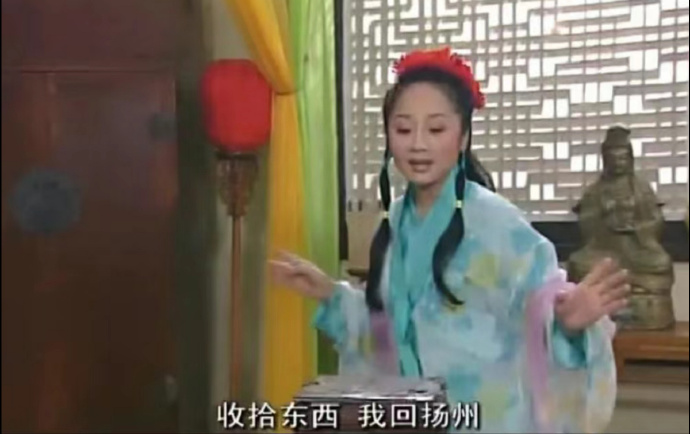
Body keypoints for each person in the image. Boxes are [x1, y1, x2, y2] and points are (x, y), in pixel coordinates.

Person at [270, 47, 628, 433]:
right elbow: (388, 325)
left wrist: (567, 324)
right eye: (403, 129)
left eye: (436, 129)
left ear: (463, 137)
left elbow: (541, 311)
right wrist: (329, 291)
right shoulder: (393, 222)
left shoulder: (498, 224)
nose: (418, 144)